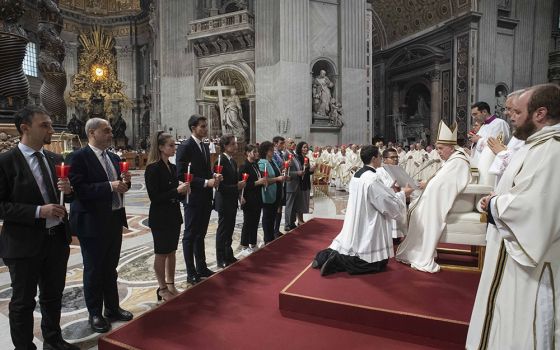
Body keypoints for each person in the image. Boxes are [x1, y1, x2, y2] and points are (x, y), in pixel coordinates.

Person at [466, 84, 560, 350]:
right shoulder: (536, 145)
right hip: (512, 251)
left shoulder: (552, 150)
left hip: (533, 263)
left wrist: (495, 204)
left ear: (540, 114)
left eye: (517, 112)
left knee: (528, 324)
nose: (510, 116)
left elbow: (538, 208)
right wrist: (499, 197)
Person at [0, 105, 78, 350]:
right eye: (44, 125)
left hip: (56, 239)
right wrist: (38, 212)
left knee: (53, 295)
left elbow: (68, 197)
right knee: (23, 302)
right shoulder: (6, 162)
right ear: (25, 128)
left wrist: (70, 191)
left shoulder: (55, 159)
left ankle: (53, 341)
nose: (51, 130)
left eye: (50, 124)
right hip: (24, 242)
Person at [68, 118, 133, 333]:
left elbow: (120, 187)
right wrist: (109, 186)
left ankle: (112, 308)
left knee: (110, 268)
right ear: (92, 133)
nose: (111, 134)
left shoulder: (113, 157)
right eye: (106, 131)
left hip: (114, 219)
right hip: (92, 222)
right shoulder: (78, 157)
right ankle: (94, 313)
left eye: (111, 130)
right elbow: (79, 190)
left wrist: (126, 182)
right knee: (94, 269)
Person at [312, 145, 412, 276]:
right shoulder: (372, 178)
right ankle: (337, 261)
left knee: (350, 247)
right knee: (377, 263)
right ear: (373, 158)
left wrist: (388, 190)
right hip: (369, 220)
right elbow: (385, 202)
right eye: (380, 156)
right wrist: (403, 194)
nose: (381, 159)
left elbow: (375, 194)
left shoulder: (360, 174)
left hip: (359, 215)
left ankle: (323, 257)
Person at [395, 121, 471, 273]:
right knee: (416, 208)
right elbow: (441, 180)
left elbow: (445, 185)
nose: (439, 152)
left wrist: (428, 186)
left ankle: (420, 253)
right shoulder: (453, 159)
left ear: (451, 147)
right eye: (437, 148)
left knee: (419, 210)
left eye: (441, 148)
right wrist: (427, 184)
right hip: (443, 197)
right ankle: (416, 250)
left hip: (453, 201)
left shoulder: (458, 161)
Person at [175, 115, 221, 285]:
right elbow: (181, 174)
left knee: (201, 234)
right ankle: (190, 272)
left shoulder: (204, 145)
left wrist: (213, 175)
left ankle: (201, 267)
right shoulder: (185, 146)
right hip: (193, 197)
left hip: (205, 197)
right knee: (190, 235)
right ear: (193, 128)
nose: (205, 129)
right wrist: (204, 182)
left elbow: (204, 170)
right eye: (202, 126)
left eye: (205, 126)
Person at [145, 131, 189, 302]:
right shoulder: (152, 168)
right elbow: (154, 197)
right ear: (161, 147)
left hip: (173, 214)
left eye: (174, 145)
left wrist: (183, 191)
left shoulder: (172, 167)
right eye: (171, 145)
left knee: (171, 251)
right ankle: (162, 288)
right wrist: (175, 191)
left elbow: (174, 195)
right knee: (161, 253)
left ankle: (170, 284)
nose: (174, 148)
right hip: (160, 216)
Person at [214, 134, 246, 268]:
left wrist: (239, 193)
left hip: (232, 200)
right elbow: (219, 187)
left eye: (235, 143)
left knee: (230, 229)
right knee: (223, 230)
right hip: (223, 201)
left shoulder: (232, 161)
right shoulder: (219, 161)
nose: (236, 146)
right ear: (225, 146)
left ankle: (228, 253)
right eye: (233, 144)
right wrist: (236, 186)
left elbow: (232, 181)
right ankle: (220, 258)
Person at [486, 90, 526, 185]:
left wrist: (502, 152)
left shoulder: (529, 133)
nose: (505, 113)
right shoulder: (520, 131)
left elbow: (522, 165)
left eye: (509, 109)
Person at [238, 144, 267, 256]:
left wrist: (262, 181)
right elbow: (243, 184)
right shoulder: (244, 166)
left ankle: (253, 243)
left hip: (257, 196)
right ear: (247, 153)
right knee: (248, 222)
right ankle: (244, 245)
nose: (256, 153)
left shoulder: (255, 165)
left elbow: (258, 178)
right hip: (249, 197)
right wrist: (258, 182)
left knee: (255, 221)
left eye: (256, 151)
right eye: (254, 152)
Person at [257, 141, 286, 244]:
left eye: (273, 150)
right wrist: (278, 179)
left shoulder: (272, 161)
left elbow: (277, 173)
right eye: (271, 150)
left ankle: (272, 236)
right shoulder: (261, 163)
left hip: (276, 192)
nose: (273, 152)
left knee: (273, 216)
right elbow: (265, 180)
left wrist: (281, 176)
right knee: (267, 217)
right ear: (265, 151)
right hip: (268, 193)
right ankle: (267, 238)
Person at [377, 148, 407, 240]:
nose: (395, 159)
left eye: (397, 157)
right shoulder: (380, 171)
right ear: (384, 159)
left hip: (399, 197)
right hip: (388, 200)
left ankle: (398, 235)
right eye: (392, 157)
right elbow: (382, 187)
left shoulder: (399, 170)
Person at [469, 101, 511, 166]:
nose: (473, 117)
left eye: (475, 114)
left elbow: (497, 146)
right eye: (472, 115)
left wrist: (478, 140)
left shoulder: (499, 123)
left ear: (484, 112)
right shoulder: (483, 126)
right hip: (479, 164)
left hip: (490, 164)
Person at [284, 139, 304, 231]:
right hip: (290, 183)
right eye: (291, 143)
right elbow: (286, 172)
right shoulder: (286, 155)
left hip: (296, 183)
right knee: (289, 205)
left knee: (294, 205)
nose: (293, 144)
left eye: (294, 143)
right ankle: (287, 224)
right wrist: (297, 173)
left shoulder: (294, 154)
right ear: (286, 144)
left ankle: (292, 222)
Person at [295, 142, 315, 226]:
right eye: (304, 147)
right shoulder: (298, 158)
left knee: (304, 201)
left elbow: (307, 172)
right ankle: (299, 219)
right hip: (300, 182)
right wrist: (307, 169)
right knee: (300, 201)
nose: (306, 149)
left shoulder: (307, 158)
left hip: (306, 181)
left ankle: (301, 218)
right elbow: (300, 170)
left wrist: (312, 170)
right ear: (300, 148)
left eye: (306, 147)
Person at [272, 136, 286, 237]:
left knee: (280, 207)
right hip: (275, 182)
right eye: (281, 143)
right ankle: (274, 230)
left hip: (281, 181)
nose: (283, 145)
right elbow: (276, 168)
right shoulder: (274, 154)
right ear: (275, 144)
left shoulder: (280, 154)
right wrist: (284, 166)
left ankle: (276, 229)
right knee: (276, 207)